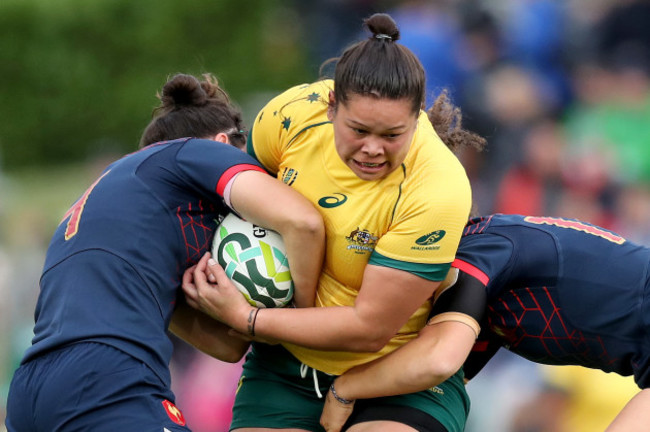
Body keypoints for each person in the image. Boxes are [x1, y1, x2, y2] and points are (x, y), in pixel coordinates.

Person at [182, 12, 473, 432]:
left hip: (392, 374)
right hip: (285, 364)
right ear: (331, 105)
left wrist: (246, 318)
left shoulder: (438, 188)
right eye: (358, 130)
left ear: (417, 119)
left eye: (393, 135)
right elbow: (235, 203)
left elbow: (368, 328)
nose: (373, 149)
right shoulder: (290, 117)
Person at [4, 73, 325, 432]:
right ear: (223, 143)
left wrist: (238, 313)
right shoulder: (191, 153)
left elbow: (227, 347)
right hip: (105, 379)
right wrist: (306, 323)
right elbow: (303, 223)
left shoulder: (121, 204)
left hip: (30, 392)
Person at [318, 214, 650, 432]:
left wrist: (344, 389)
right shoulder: (482, 308)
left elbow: (438, 361)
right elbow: (443, 378)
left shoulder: (475, 250)